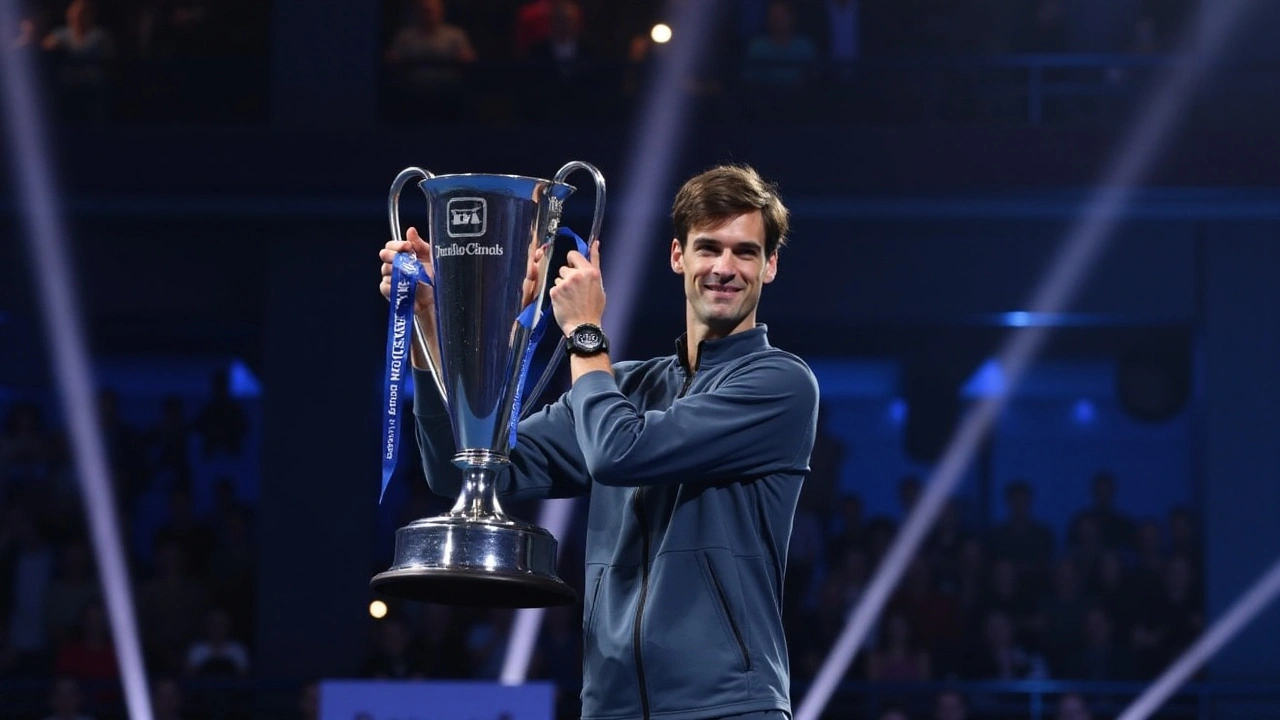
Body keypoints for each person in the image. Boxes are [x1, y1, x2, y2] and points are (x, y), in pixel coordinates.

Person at [378, 164, 819, 720]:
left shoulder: (779, 383)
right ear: (678, 256)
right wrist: (428, 334)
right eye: (708, 248)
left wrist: (584, 333)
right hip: (609, 708)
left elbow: (621, 452)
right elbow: (462, 473)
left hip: (726, 707)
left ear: (770, 265)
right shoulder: (624, 385)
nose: (724, 268)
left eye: (745, 252)